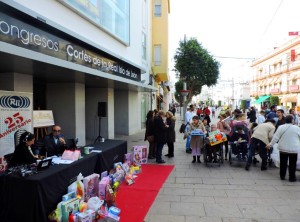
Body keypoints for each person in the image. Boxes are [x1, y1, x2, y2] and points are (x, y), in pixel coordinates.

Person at [266, 115, 300, 182]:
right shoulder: (297, 128)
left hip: (283, 148)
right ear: (292, 120)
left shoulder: (281, 127)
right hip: (294, 149)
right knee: (292, 163)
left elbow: (275, 137)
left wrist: (270, 144)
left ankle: (282, 176)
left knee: (283, 162)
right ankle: (292, 178)